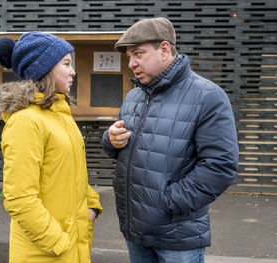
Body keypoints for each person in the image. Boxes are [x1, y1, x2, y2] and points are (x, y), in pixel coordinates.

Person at [102, 17, 238, 263]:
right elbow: (125, 148)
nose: (131, 63)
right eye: (129, 57)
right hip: (136, 233)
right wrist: (110, 139)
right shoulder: (134, 96)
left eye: (138, 54)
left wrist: (167, 203)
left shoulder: (208, 96)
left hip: (178, 239)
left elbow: (220, 166)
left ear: (164, 50)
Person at [0, 31, 102, 263]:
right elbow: (19, 199)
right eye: (66, 64)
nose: (73, 71)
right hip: (47, 253)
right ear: (44, 68)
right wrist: (58, 242)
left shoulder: (61, 115)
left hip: (74, 246)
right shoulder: (26, 122)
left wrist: (91, 207)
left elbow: (73, 175)